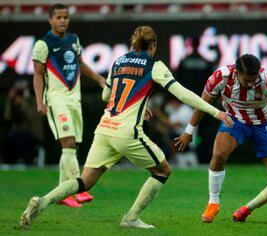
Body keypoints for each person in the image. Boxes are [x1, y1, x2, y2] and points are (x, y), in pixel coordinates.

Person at [19, 25, 233, 230]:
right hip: (126, 132)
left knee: (85, 181)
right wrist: (216, 112)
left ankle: (44, 201)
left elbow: (106, 96)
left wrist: (137, 102)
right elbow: (182, 93)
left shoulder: (118, 62)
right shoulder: (154, 65)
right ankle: (131, 218)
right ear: (153, 45)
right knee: (163, 170)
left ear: (133, 43)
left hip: (105, 127)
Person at [175, 54, 267, 223]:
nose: (251, 84)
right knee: (218, 155)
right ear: (236, 72)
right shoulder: (220, 77)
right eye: (246, 80)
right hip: (234, 120)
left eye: (253, 80)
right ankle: (213, 202)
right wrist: (189, 131)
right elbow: (202, 103)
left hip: (263, 123)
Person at [32, 3, 106, 207]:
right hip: (56, 100)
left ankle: (62, 194)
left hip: (74, 100)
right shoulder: (43, 44)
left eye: (65, 17)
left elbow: (81, 64)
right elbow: (38, 74)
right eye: (58, 18)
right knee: (69, 144)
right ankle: (78, 188)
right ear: (50, 20)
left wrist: (99, 79)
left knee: (71, 148)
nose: (62, 20)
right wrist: (40, 100)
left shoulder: (74, 40)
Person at [175, 36, 216, 163]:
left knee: (185, 130)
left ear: (190, 44)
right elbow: (211, 85)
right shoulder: (206, 62)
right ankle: (202, 157)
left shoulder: (184, 61)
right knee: (202, 133)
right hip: (203, 102)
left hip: (186, 103)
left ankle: (184, 154)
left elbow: (176, 82)